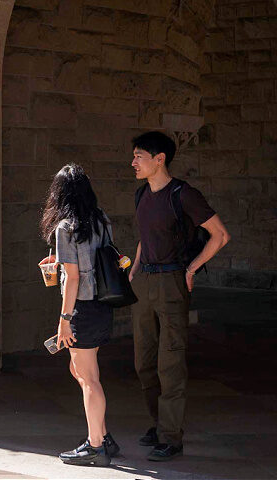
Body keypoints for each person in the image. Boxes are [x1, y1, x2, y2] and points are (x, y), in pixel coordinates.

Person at [129, 131, 231, 461]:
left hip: (173, 281)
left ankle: (171, 437)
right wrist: (135, 268)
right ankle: (160, 425)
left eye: (139, 156)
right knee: (143, 362)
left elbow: (220, 235)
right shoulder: (141, 195)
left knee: (169, 362)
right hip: (144, 283)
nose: (133, 162)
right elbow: (146, 236)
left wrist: (191, 269)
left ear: (160, 159)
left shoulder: (183, 194)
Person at [39, 164, 119, 467]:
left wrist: (65, 319)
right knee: (83, 373)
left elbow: (73, 279)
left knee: (88, 379)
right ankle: (103, 434)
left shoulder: (65, 228)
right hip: (102, 303)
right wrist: (60, 262)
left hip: (81, 308)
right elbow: (95, 260)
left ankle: (96, 445)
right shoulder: (101, 220)